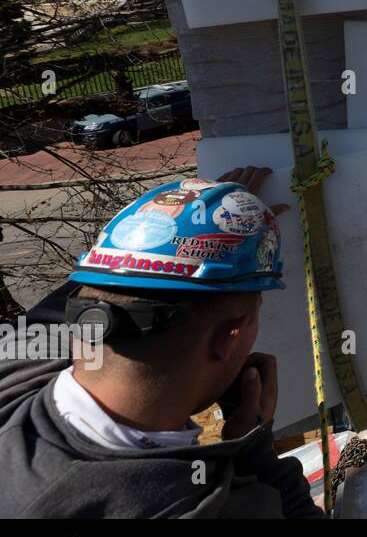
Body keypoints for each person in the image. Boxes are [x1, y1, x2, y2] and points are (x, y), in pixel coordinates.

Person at [0, 167, 321, 518]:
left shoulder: (14, 364)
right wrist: (253, 446)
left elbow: (113, 284)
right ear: (230, 339)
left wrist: (204, 234)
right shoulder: (205, 506)